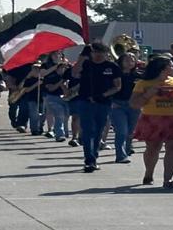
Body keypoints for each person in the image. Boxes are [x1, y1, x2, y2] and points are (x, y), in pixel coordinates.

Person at [130, 56, 173, 188]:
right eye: (171, 65)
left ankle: (167, 179)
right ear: (162, 68)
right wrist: (148, 94)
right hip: (153, 119)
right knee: (152, 148)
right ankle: (149, 173)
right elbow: (134, 104)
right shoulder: (143, 84)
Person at [71, 43, 122, 172]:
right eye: (95, 52)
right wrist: (82, 56)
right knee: (88, 131)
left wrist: (103, 95)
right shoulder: (86, 64)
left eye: (101, 53)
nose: (98, 55)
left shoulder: (112, 67)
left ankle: (94, 154)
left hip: (103, 103)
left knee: (98, 131)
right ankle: (89, 160)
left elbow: (117, 86)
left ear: (106, 53)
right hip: (85, 101)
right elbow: (74, 73)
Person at [109, 52, 142, 164]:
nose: (130, 62)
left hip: (134, 105)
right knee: (121, 131)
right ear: (121, 62)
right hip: (118, 105)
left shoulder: (138, 75)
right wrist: (112, 101)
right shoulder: (115, 74)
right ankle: (120, 155)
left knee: (131, 131)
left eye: (132, 60)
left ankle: (127, 149)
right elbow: (109, 88)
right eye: (127, 60)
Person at [41, 55, 72, 141]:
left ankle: (65, 132)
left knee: (66, 116)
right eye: (62, 68)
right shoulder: (51, 76)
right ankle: (59, 135)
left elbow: (67, 92)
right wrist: (61, 82)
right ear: (58, 68)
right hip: (52, 98)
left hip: (65, 98)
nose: (64, 70)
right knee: (59, 115)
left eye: (65, 68)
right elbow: (51, 88)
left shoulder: (67, 78)